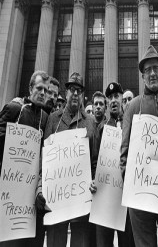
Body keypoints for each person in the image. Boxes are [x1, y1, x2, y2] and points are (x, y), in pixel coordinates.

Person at [120, 45, 158, 247]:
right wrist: (131, 180)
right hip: (140, 199)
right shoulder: (132, 107)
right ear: (142, 76)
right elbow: (124, 153)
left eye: (156, 68)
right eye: (148, 70)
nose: (153, 73)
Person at [36, 72, 96, 247]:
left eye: (79, 90)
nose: (75, 93)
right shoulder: (53, 119)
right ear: (67, 92)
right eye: (71, 90)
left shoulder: (90, 122)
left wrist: (93, 180)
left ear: (82, 94)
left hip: (81, 201)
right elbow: (44, 156)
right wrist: (40, 185)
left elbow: (94, 160)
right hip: (56, 202)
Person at [0, 70, 50, 247]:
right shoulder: (14, 109)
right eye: (39, 88)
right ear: (30, 89)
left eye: (46, 90)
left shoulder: (45, 118)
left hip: (33, 199)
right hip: (11, 195)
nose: (43, 93)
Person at [91, 82, 135, 247]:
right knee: (103, 242)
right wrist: (94, 180)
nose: (113, 100)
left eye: (116, 96)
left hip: (127, 198)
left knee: (127, 242)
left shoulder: (131, 124)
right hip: (106, 197)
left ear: (122, 97)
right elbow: (95, 161)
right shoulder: (101, 129)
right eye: (110, 97)